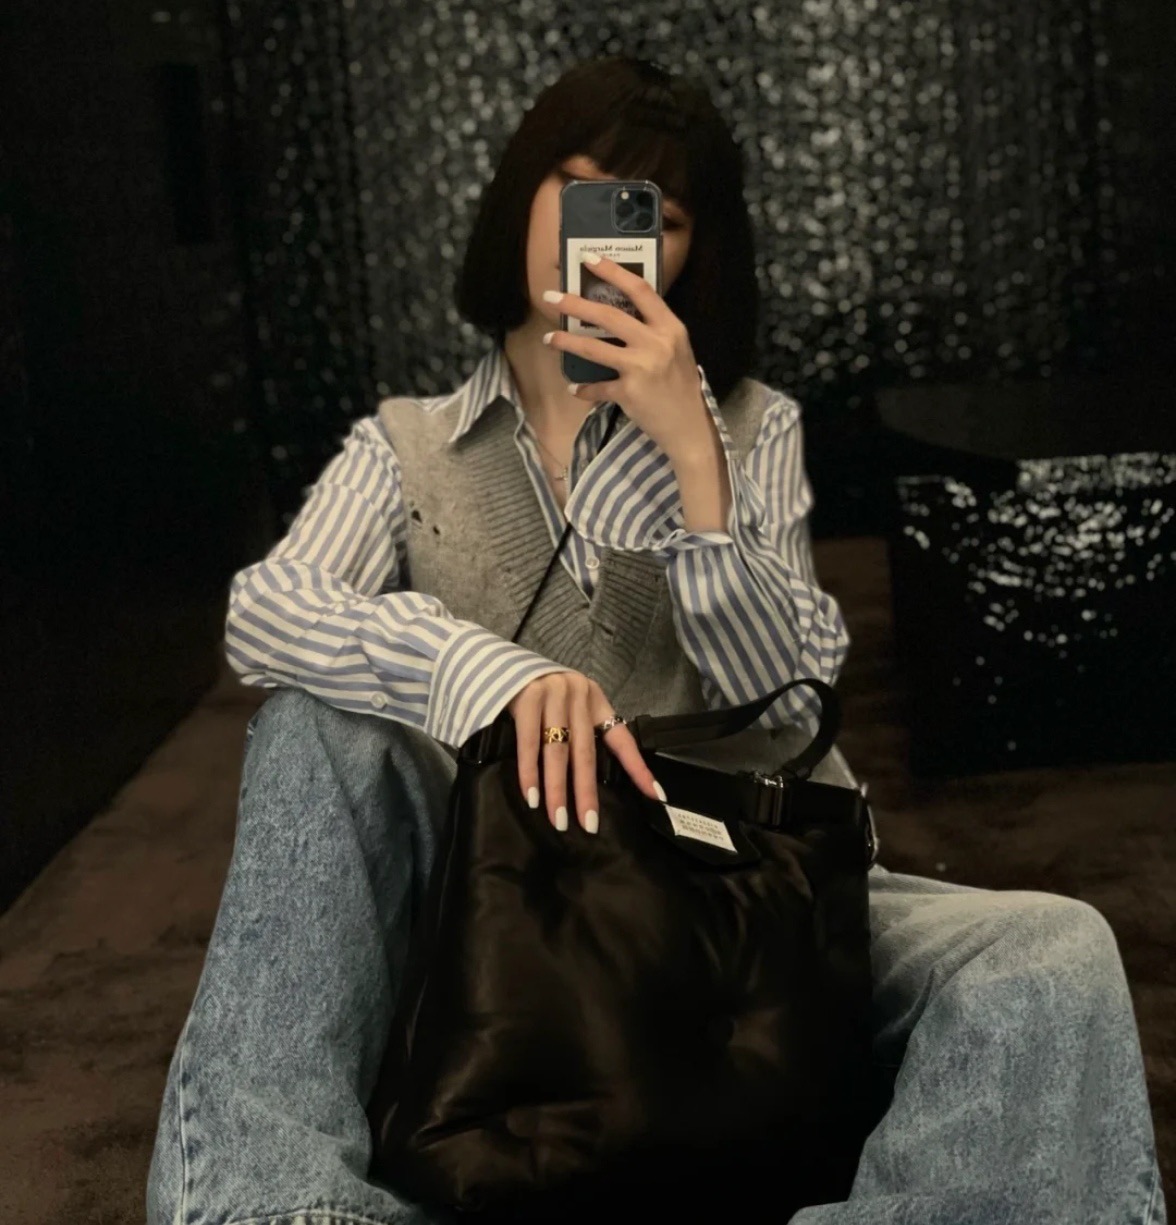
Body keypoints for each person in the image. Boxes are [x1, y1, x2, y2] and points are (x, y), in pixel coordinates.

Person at [146, 54, 1167, 1225]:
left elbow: (792, 703)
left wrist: (695, 465)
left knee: (1052, 949)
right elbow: (264, 614)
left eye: (654, 216)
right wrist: (486, 675)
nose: (606, 234)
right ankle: (272, 1207)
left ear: (689, 253)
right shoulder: (407, 446)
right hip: (499, 901)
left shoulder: (752, 428)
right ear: (521, 198)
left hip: (742, 893)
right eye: (576, 186)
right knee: (311, 725)